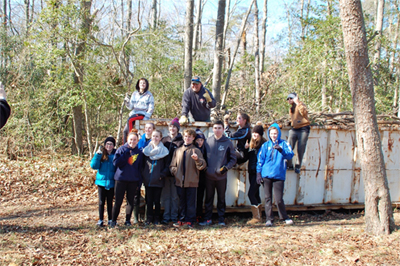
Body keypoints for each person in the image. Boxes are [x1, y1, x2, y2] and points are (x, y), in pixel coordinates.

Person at [256, 123, 294, 227]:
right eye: (272, 133)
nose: (274, 135)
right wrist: (258, 174)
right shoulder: (265, 145)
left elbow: (290, 154)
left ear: (279, 133)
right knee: (267, 198)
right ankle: (269, 219)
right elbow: (260, 160)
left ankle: (284, 217)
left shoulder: (284, 144)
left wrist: (281, 150)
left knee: (279, 199)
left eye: (275, 133)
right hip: (266, 175)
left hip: (279, 175)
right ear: (269, 134)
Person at [199, 121, 237, 226]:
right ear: (212, 129)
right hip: (209, 176)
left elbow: (233, 159)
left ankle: (221, 219)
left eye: (219, 128)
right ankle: (207, 219)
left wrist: (226, 168)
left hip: (221, 177)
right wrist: (205, 169)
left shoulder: (228, 142)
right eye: (215, 128)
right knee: (208, 198)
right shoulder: (207, 142)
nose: (217, 130)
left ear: (223, 129)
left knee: (221, 198)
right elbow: (202, 157)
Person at [170, 129, 206, 228]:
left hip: (191, 181)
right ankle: (181, 219)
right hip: (179, 181)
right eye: (186, 136)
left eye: (189, 137)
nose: (187, 138)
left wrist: (197, 159)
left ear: (193, 138)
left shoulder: (196, 151)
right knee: (181, 202)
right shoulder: (178, 151)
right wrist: (175, 172)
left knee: (191, 202)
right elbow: (172, 165)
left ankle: (190, 220)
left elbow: (202, 166)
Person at [110, 129, 144, 227]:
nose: (132, 142)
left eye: (134, 140)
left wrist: (139, 182)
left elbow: (140, 168)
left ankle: (128, 220)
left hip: (133, 180)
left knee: (130, 201)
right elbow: (116, 163)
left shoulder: (139, 152)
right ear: (127, 140)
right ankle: (113, 220)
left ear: (137, 141)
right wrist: (125, 155)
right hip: (120, 179)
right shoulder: (121, 149)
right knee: (118, 201)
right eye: (130, 139)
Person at [142, 130, 169, 225]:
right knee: (149, 200)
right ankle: (149, 218)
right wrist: (144, 175)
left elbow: (167, 166)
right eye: (153, 136)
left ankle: (157, 218)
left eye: (157, 136)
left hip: (158, 180)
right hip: (148, 179)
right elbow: (142, 165)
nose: (155, 138)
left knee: (157, 201)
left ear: (161, 138)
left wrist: (162, 175)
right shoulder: (146, 151)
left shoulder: (164, 151)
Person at [160, 118, 184, 224]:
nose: (172, 128)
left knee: (174, 196)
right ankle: (166, 217)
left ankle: (174, 217)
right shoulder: (164, 140)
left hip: (176, 173)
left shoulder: (181, 141)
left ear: (177, 129)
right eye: (170, 126)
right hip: (165, 172)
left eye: (174, 127)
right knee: (166, 196)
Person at [90, 136, 117, 227]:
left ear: (114, 145)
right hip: (101, 182)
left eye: (111, 144)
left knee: (110, 202)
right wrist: (97, 155)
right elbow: (94, 166)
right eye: (107, 144)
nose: (109, 146)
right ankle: (101, 219)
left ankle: (110, 219)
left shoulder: (116, 154)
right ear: (105, 145)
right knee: (101, 202)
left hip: (112, 182)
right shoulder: (101, 154)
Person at [134, 122, 155, 224]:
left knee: (148, 196)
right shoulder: (139, 140)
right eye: (146, 128)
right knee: (136, 195)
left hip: (148, 171)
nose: (148, 130)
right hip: (137, 171)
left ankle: (147, 218)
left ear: (153, 129)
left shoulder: (154, 141)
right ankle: (135, 217)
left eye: (150, 128)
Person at [245, 124, 266, 225]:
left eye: (257, 133)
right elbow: (246, 158)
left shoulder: (264, 144)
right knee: (256, 194)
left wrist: (260, 173)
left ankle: (256, 217)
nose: (255, 135)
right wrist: (246, 149)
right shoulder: (251, 144)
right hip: (251, 172)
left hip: (258, 173)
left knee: (251, 193)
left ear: (260, 134)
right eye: (253, 133)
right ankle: (259, 216)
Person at [123, 78, 155, 143]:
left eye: (144, 83)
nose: (142, 84)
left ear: (146, 85)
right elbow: (131, 107)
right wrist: (127, 102)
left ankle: (131, 138)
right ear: (138, 84)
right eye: (141, 83)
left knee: (130, 119)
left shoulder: (149, 95)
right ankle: (125, 145)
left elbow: (151, 107)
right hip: (134, 113)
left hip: (142, 113)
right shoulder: (134, 94)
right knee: (125, 131)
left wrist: (146, 117)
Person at [286, 92, 310, 174]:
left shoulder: (301, 105)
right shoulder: (291, 108)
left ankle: (298, 166)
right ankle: (289, 164)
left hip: (303, 129)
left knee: (301, 148)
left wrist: (297, 103)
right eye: (288, 99)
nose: (289, 100)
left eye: (291, 98)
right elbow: (294, 118)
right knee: (289, 147)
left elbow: (304, 113)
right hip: (294, 129)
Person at [194, 128, 207, 221]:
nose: (199, 142)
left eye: (201, 140)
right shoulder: (193, 150)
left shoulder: (206, 150)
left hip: (203, 177)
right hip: (193, 176)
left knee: (200, 196)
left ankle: (199, 214)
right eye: (198, 140)